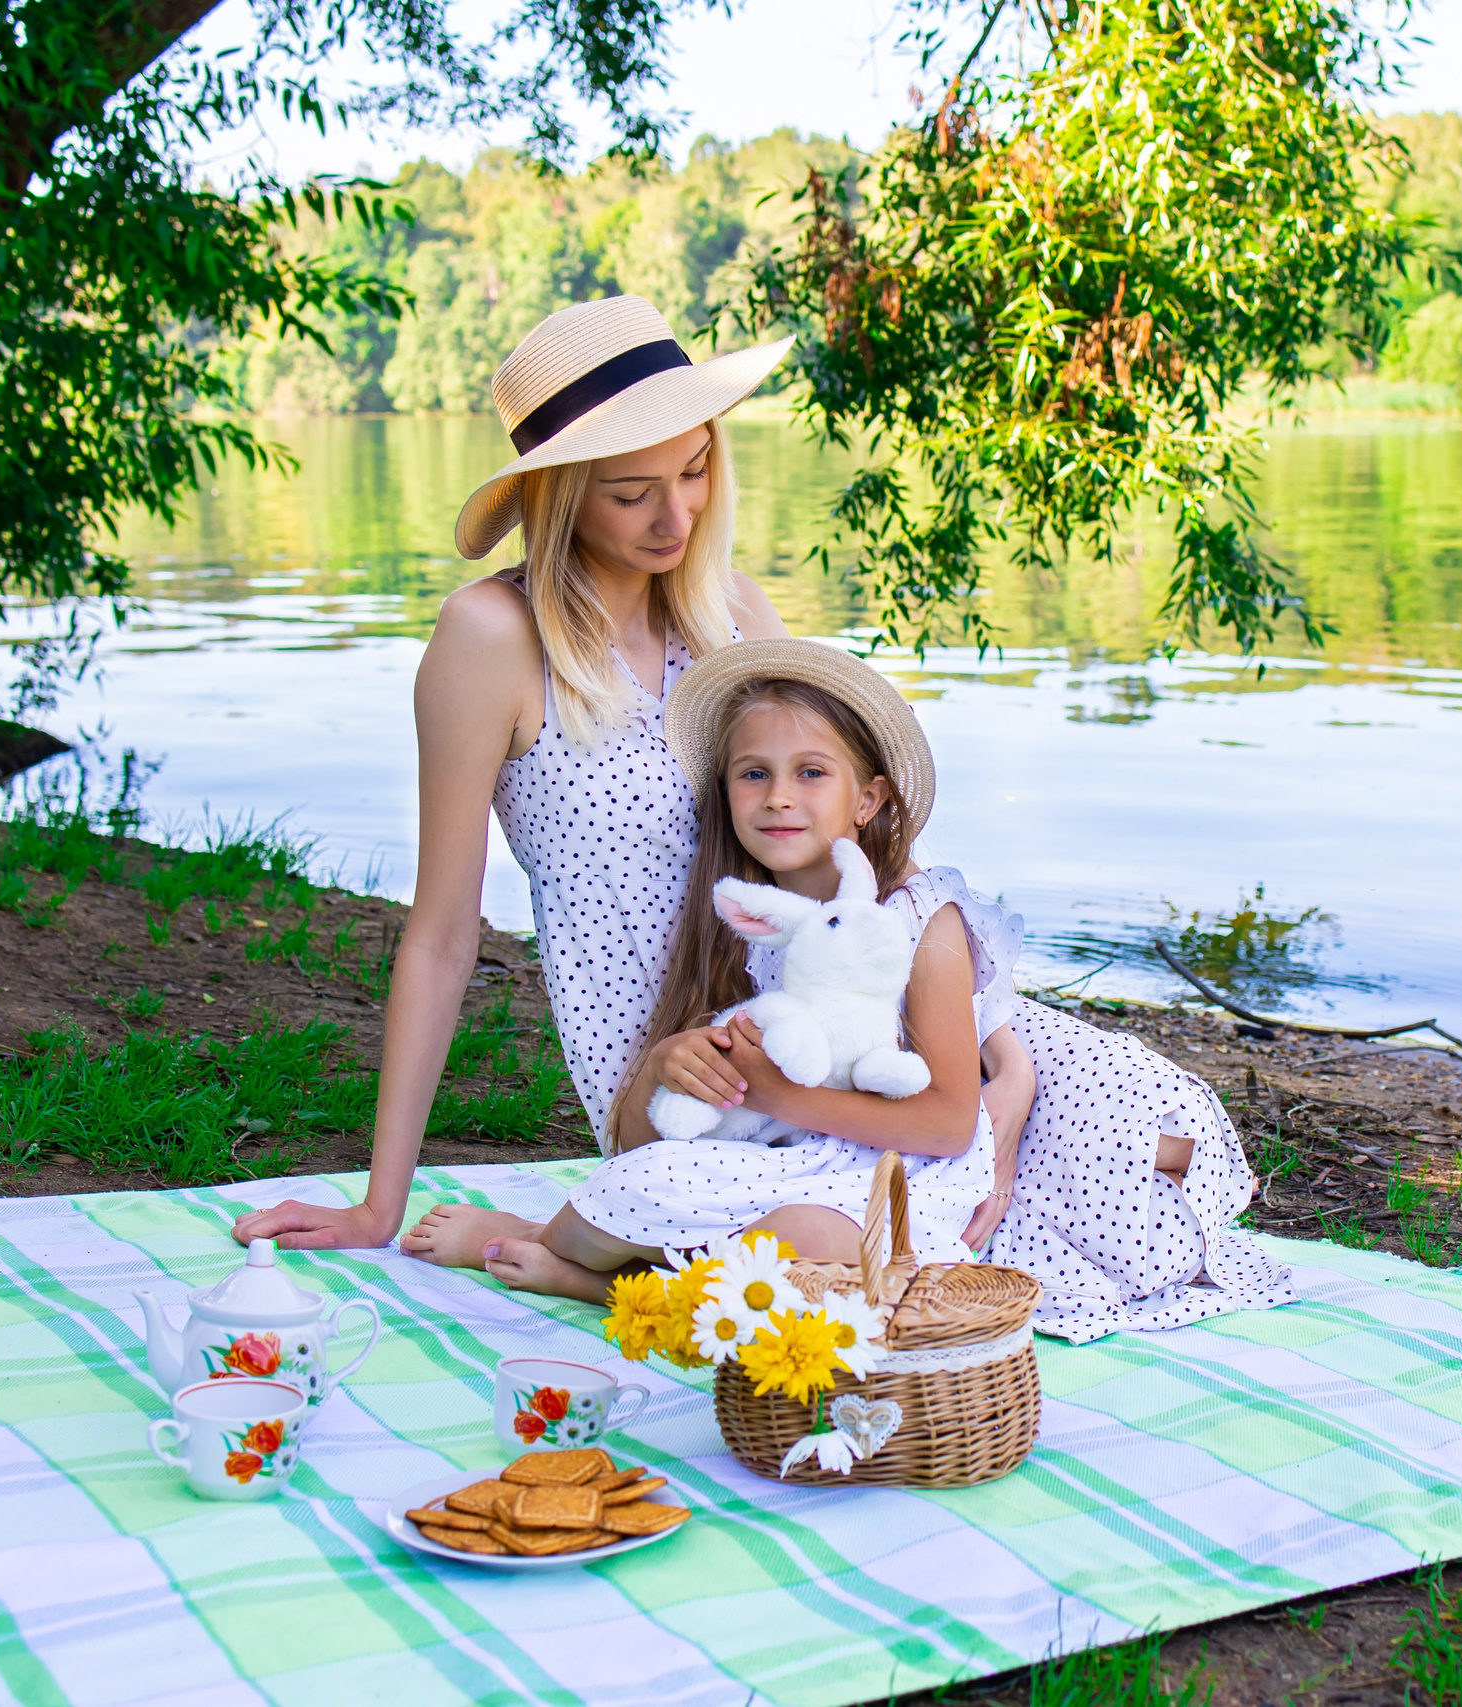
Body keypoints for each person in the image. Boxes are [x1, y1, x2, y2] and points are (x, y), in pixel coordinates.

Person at [230, 295, 1030, 1255]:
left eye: (695, 471)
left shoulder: (732, 610)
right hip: (689, 1075)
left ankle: (595, 1248)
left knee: (1126, 1121)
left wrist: (996, 1047)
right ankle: (577, 1250)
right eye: (631, 491)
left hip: (842, 1014)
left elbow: (860, 848)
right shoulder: (492, 639)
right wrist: (378, 1203)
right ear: (559, 493)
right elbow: (442, 933)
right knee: (821, 1234)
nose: (676, 514)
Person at [448, 640, 1292, 1346]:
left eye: (810, 771)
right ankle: (564, 1240)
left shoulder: (918, 922)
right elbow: (650, 1139)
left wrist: (784, 1093)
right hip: (810, 1153)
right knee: (657, 1180)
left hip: (909, 1168)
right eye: (753, 774)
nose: (778, 795)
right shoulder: (750, 923)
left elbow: (946, 1120)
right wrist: (672, 1065)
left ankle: (601, 1285)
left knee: (802, 1246)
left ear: (868, 798)